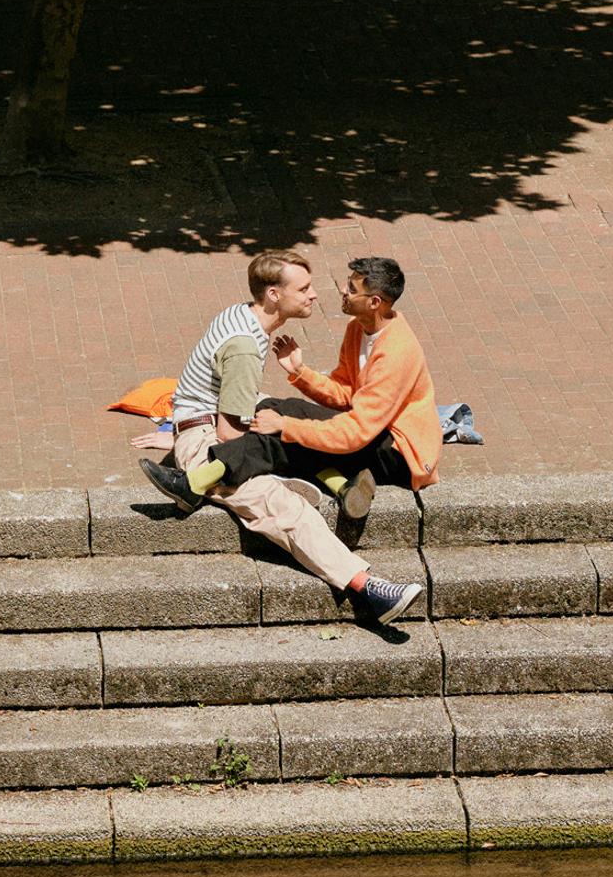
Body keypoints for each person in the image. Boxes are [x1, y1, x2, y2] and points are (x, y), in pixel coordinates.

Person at [156, 255, 437, 620]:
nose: (327, 293)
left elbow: (355, 431)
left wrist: (284, 428)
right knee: (279, 427)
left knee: (280, 428)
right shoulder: (355, 329)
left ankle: (194, 481)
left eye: (350, 288)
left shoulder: (394, 350)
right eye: (304, 288)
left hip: (397, 451)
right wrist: (300, 374)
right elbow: (345, 394)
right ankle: (347, 510)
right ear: (274, 294)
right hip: (358, 431)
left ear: (375, 302)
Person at [137, 251, 322, 493]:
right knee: (283, 468)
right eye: (303, 289)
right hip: (207, 433)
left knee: (298, 416)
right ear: (273, 295)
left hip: (203, 416)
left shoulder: (241, 312)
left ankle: (333, 479)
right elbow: (229, 434)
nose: (313, 294)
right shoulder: (244, 348)